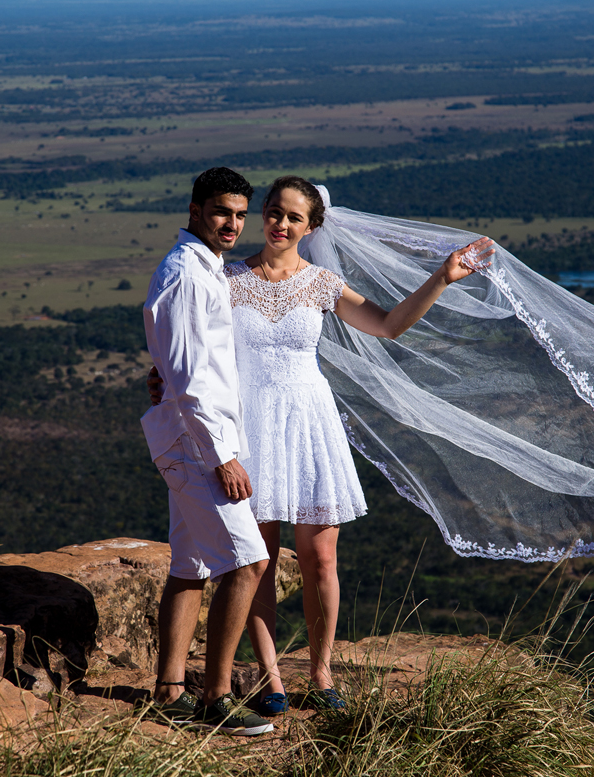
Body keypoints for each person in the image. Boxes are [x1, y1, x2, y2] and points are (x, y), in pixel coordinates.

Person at [152, 175, 494, 713]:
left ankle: (321, 672)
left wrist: (442, 278)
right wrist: (161, 377)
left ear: (311, 227)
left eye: (294, 217)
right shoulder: (226, 278)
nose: (280, 224)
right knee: (257, 560)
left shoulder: (321, 283)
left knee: (321, 558)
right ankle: (270, 678)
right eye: (274, 212)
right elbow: (190, 339)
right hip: (249, 426)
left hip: (309, 422)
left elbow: (388, 325)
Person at [140, 167, 274, 736]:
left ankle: (169, 692)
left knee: (191, 565)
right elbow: (192, 378)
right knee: (248, 563)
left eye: (240, 215)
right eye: (222, 212)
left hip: (189, 436)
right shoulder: (189, 275)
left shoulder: (202, 268)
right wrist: (222, 456)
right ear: (195, 210)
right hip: (198, 444)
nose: (233, 224)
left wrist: (162, 377)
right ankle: (215, 699)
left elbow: (181, 362)